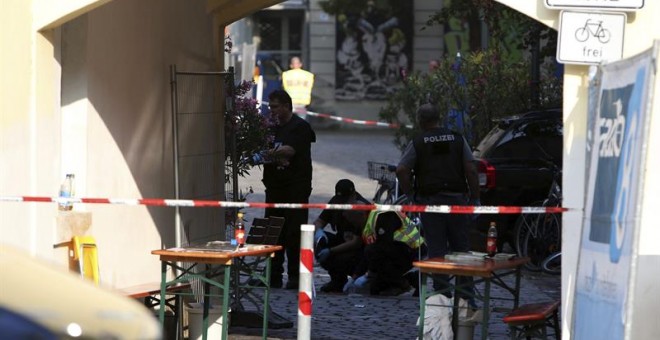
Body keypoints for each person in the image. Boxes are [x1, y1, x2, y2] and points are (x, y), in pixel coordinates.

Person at [395, 103, 480, 301]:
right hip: (457, 201)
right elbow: (471, 169)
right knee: (461, 249)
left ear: (420, 121)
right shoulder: (457, 139)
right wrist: (475, 197)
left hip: (430, 202)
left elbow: (401, 170)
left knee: (437, 250)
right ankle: (466, 296)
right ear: (439, 118)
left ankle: (442, 296)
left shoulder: (419, 142)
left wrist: (411, 195)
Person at [262, 89, 316, 289]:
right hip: (274, 186)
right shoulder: (271, 128)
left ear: (286, 106)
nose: (271, 110)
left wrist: (267, 153)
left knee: (294, 232)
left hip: (296, 188)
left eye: (275, 106)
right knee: (273, 232)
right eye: (270, 106)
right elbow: (271, 151)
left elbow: (289, 151)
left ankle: (295, 276)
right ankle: (274, 275)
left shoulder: (300, 127)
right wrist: (272, 154)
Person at [313, 179, 370, 293]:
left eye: (345, 200)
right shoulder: (336, 202)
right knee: (319, 242)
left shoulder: (361, 208)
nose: (342, 204)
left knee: (340, 258)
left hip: (358, 249)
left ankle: (354, 278)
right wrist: (319, 232)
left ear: (354, 195)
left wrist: (331, 251)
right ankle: (337, 280)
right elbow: (319, 221)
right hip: (342, 240)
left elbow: (356, 242)